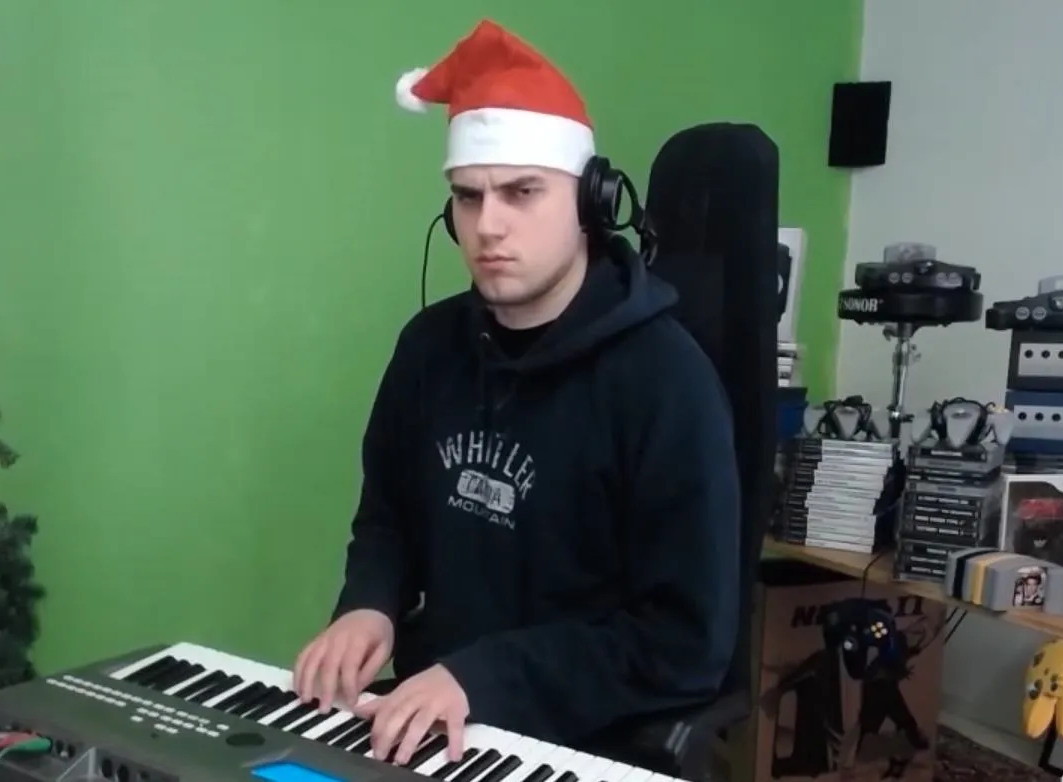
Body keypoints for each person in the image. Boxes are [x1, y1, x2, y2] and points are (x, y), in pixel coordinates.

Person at [290, 19, 742, 768]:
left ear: (589, 202)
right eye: (468, 198)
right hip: (436, 716)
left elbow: (684, 641)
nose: (488, 226)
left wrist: (481, 677)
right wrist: (369, 602)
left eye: (521, 192)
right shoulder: (428, 348)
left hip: (589, 741)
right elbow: (388, 519)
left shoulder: (667, 382)